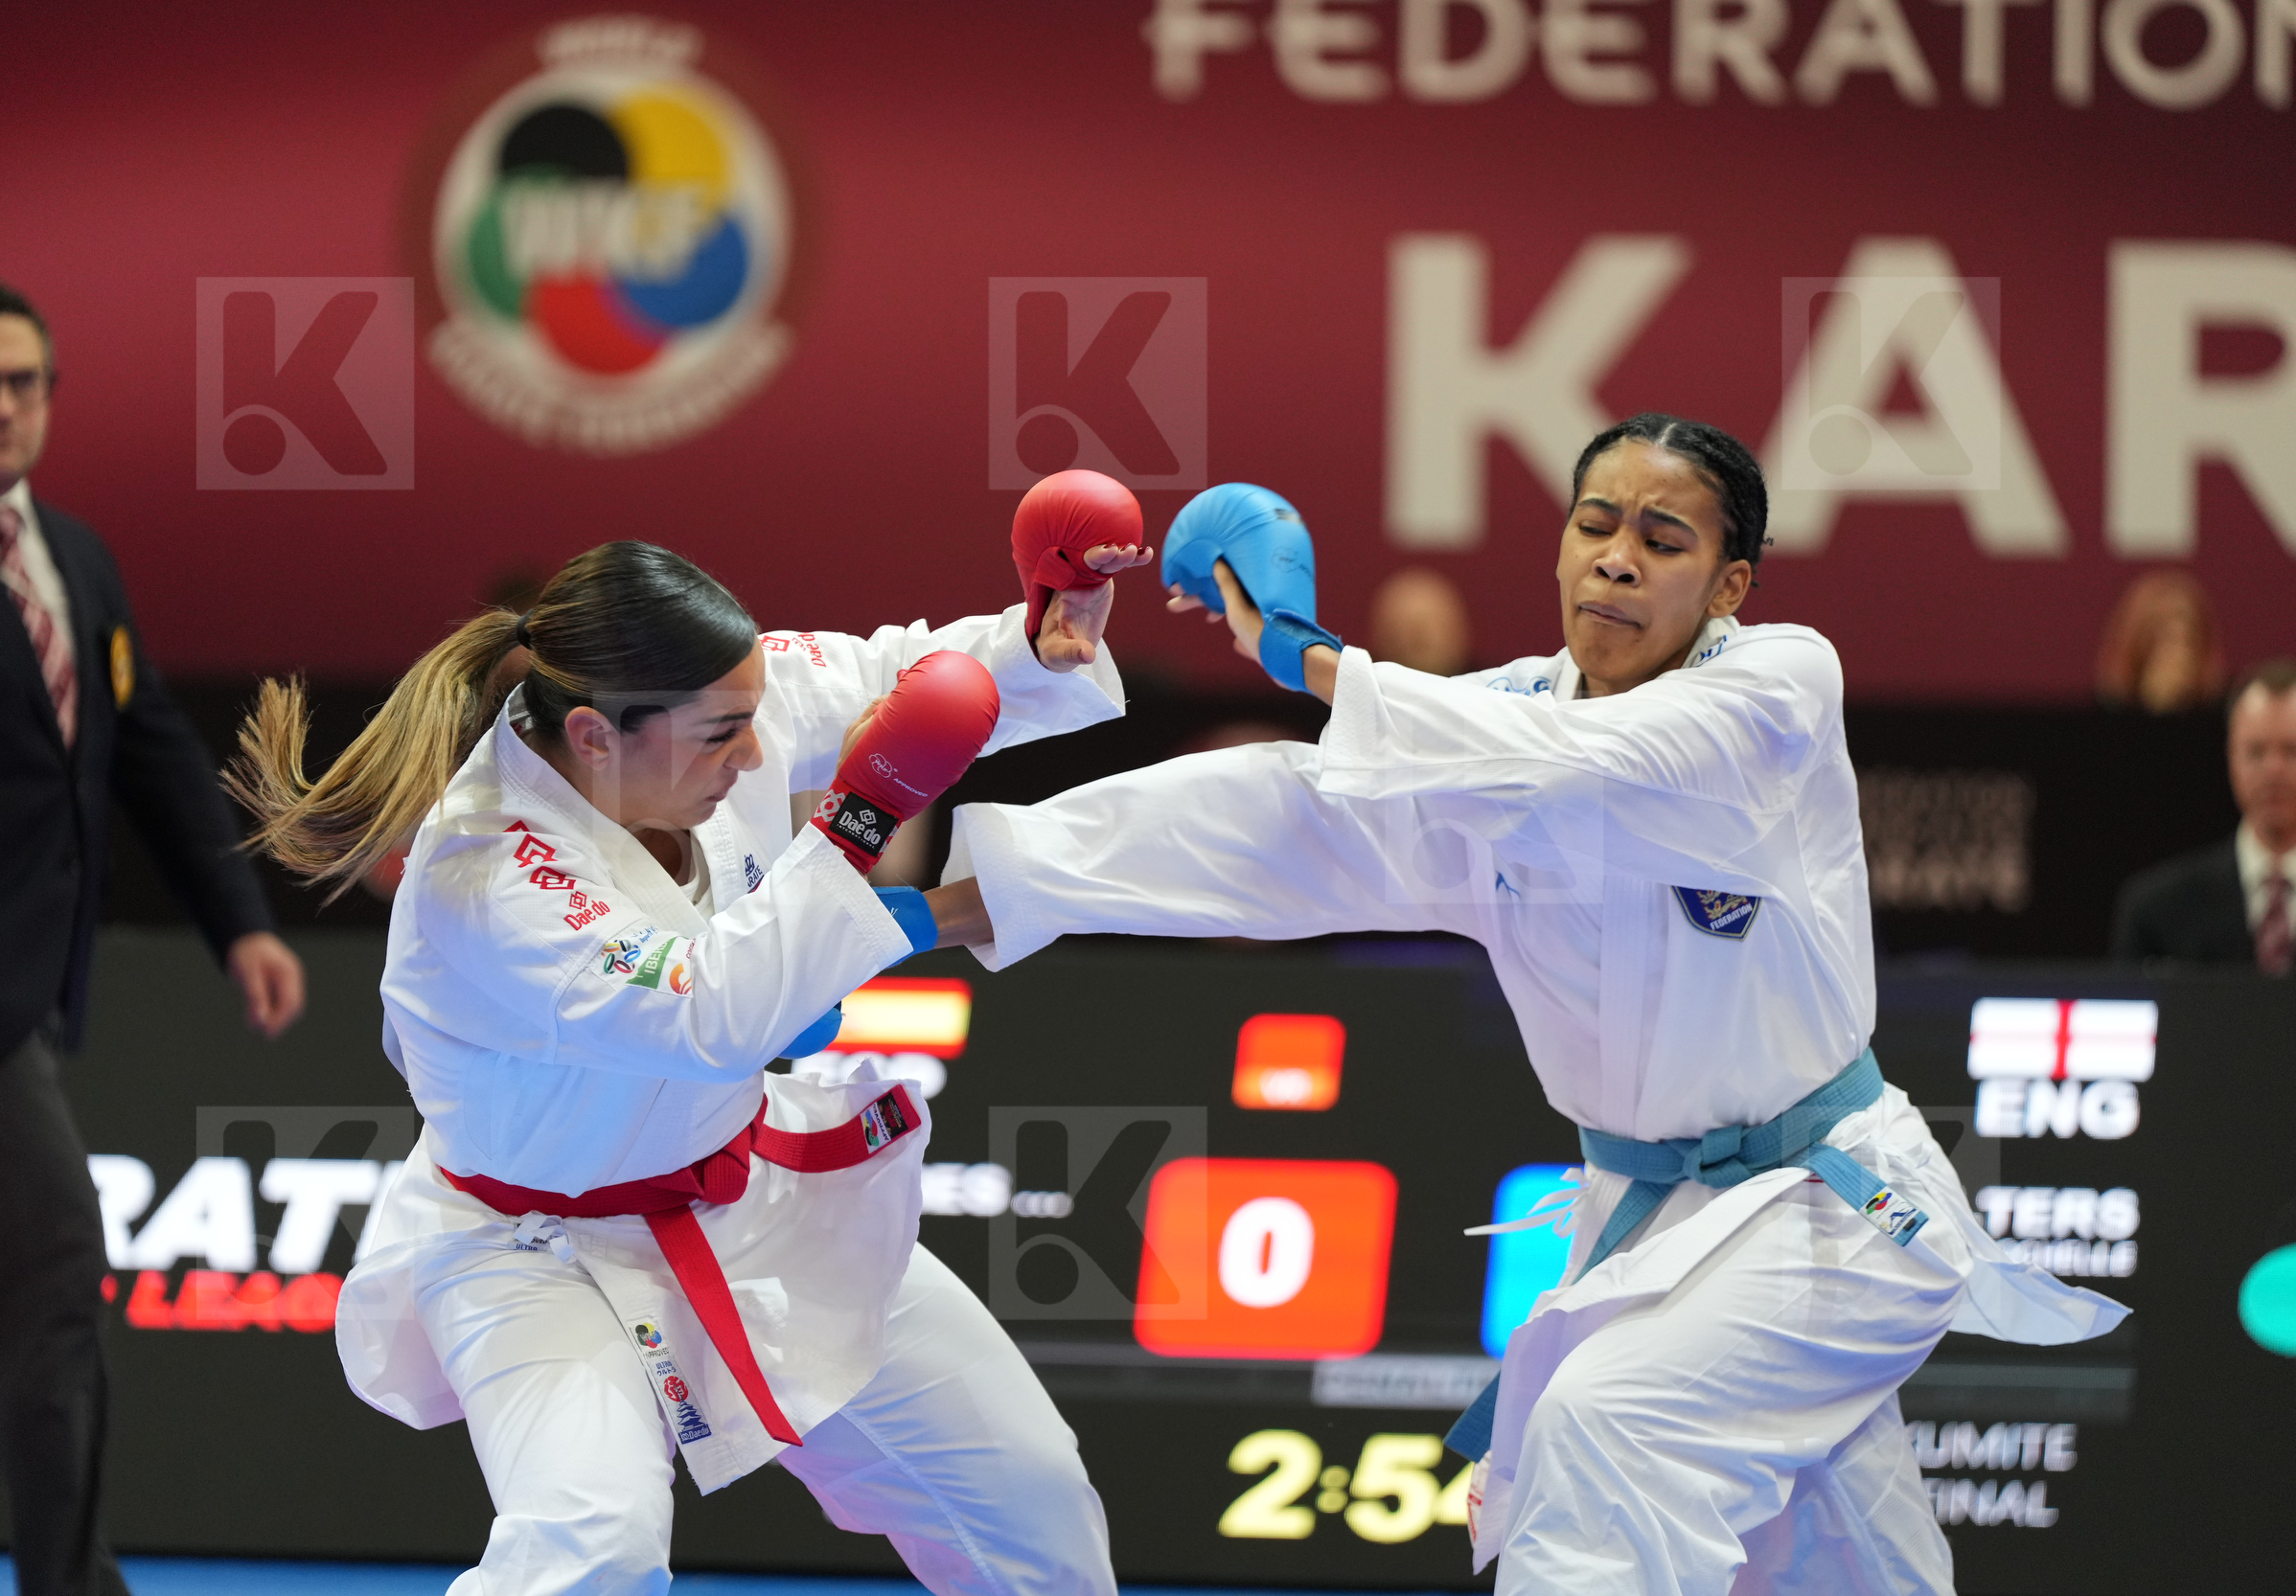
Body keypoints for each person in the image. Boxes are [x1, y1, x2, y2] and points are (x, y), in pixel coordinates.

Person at [924, 418, 2126, 1594]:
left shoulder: (1778, 686)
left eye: (1662, 539)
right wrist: (957, 906)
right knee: (1839, 1564)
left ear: (1728, 585)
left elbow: (1592, 764)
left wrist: (1310, 658)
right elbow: (1288, 818)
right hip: (1650, 1222)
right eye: (1595, 525)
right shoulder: (1495, 725)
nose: (1616, 558)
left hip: (1829, 1210)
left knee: (1608, 1430)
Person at [233, 507, 1144, 1593]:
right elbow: (713, 1016)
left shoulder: (708, 697)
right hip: (535, 1251)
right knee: (594, 1552)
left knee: (1029, 1501)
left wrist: (1038, 639)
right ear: (594, 737)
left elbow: (895, 676)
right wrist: (857, 818)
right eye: (723, 737)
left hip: (750, 1199)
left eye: (753, 718)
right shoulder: (488, 871)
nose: (756, 753)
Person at [0, 277, 307, 1596]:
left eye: (26, 382)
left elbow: (148, 746)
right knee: (56, 1255)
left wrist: (239, 923)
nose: (4, 404)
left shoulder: (71, 554)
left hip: (26, 987)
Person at [2112, 658, 2296, 973]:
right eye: (2256, 751)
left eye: (2292, 750)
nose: (2273, 771)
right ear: (2231, 758)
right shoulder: (2158, 911)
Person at [2091, 568, 2226, 714]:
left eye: (2188, 641)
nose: (2176, 653)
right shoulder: (2104, 710)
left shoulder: (2224, 711)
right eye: (2164, 638)